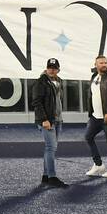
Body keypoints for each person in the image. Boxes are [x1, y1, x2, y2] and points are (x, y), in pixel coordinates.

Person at [84, 55, 107, 178]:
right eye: (101, 63)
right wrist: (91, 113)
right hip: (95, 117)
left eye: (105, 62)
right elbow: (91, 96)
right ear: (96, 65)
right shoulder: (94, 77)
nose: (104, 64)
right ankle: (98, 164)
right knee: (88, 137)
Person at [31, 58, 66, 187]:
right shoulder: (40, 82)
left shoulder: (59, 81)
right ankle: (52, 176)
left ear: (58, 69)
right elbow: (36, 102)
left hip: (57, 119)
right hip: (48, 120)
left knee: (50, 148)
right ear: (46, 68)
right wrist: (44, 119)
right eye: (50, 67)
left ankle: (46, 176)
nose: (52, 70)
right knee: (51, 148)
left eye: (54, 68)